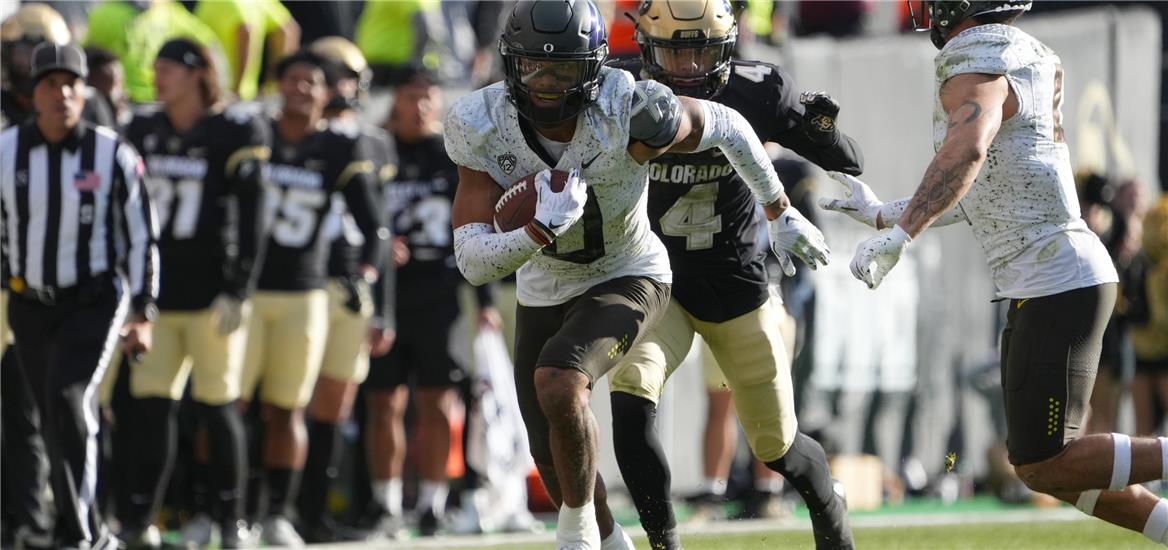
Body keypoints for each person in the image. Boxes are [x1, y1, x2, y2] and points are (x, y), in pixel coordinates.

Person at [444, 1, 829, 548]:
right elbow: (473, 261)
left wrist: (778, 209)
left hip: (628, 270)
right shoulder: (479, 122)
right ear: (511, 63)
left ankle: (576, 536)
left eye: (566, 69)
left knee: (560, 379)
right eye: (535, 67)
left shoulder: (628, 107)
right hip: (544, 278)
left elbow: (728, 126)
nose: (549, 84)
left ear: (596, 67)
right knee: (547, 449)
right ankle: (610, 538)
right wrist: (535, 233)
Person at [820, 1, 1168, 544]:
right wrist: (885, 214)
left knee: (1042, 463)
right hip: (1056, 275)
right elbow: (982, 190)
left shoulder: (975, 56)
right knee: (1055, 467)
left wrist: (902, 235)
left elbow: (968, 152)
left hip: (1055, 277)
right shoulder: (1021, 53)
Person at [603, 1, 861, 547]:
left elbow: (846, 158)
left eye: (701, 49)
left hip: (737, 284)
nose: (690, 66)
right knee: (630, 394)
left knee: (777, 446)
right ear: (646, 48)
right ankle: (663, 541)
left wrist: (819, 123)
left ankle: (829, 511)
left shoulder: (758, 88)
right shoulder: (620, 93)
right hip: (658, 282)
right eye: (675, 50)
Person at [0, 42, 159, 550]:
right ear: (33, 94)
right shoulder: (5, 151)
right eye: (51, 83)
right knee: (50, 415)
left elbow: (141, 235)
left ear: (85, 90)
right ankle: (72, 525)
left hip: (91, 299)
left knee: (70, 402)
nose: (63, 92)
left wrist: (144, 309)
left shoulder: (112, 152)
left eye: (72, 83)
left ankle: (84, 534)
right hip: (27, 302)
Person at [120, 37, 270, 549]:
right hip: (156, 298)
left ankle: (233, 520)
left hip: (212, 296)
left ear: (196, 73)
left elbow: (255, 213)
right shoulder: (142, 128)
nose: (157, 77)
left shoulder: (234, 128)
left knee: (219, 407)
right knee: (151, 410)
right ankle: (141, 519)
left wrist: (240, 288)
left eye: (167, 68)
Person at [237, 49, 387, 548]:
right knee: (239, 403)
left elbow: (377, 229)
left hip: (332, 290)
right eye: (298, 78)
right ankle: (235, 509)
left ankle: (305, 514)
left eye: (335, 78)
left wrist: (374, 290)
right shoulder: (257, 134)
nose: (315, 87)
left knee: (314, 406)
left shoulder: (360, 146)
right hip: (272, 286)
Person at [364, 64, 500, 538]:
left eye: (428, 96)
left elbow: (475, 222)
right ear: (394, 100)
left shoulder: (451, 153)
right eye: (410, 95)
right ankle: (386, 503)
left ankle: (431, 502)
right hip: (387, 294)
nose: (419, 105)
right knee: (384, 402)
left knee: (438, 402)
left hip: (439, 291)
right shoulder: (376, 149)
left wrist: (483, 298)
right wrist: (379, 248)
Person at [295, 36, 397, 544]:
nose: (339, 87)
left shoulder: (376, 142)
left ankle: (318, 512)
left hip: (352, 287)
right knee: (281, 400)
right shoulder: (294, 136)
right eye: (328, 76)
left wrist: (386, 309)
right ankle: (272, 508)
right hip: (299, 281)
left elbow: (384, 237)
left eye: (345, 76)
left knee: (335, 405)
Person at [1, 4, 114, 128]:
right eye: (24, 52)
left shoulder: (86, 103)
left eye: (44, 53)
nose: (32, 64)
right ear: (7, 55)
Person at [194, 0, 299, 101]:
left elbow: (245, 30)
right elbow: (287, 30)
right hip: (245, 94)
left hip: (226, 95)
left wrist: (236, 88)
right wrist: (273, 85)